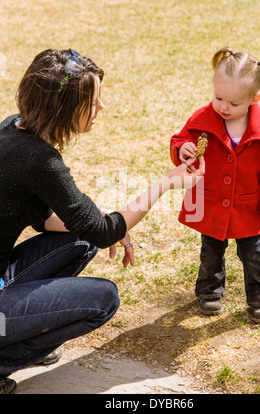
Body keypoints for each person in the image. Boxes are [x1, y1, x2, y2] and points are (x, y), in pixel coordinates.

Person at [0, 48, 204, 394]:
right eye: (93, 101)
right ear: (65, 106)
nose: (101, 108)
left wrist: (104, 223)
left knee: (82, 240)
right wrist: (166, 183)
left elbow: (52, 220)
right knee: (104, 299)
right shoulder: (39, 160)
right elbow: (103, 229)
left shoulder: (12, 128)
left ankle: (16, 337)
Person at [170, 47, 260, 324]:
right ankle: (209, 293)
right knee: (210, 251)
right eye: (218, 97)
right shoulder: (202, 120)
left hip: (247, 205)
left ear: (254, 99)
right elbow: (180, 140)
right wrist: (183, 149)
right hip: (211, 202)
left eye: (233, 103)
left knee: (254, 255)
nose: (223, 106)